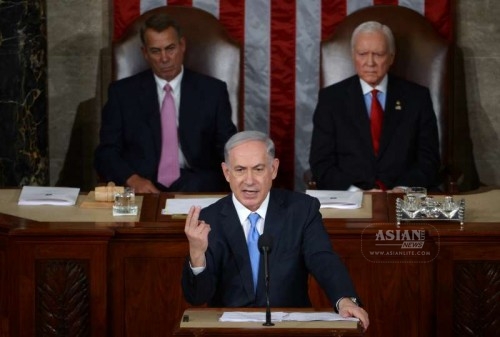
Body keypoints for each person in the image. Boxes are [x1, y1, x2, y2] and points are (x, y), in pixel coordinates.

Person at [182, 130, 369, 330]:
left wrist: (345, 299)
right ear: (227, 173)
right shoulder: (210, 219)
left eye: (258, 169)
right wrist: (197, 254)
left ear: (274, 169)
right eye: (240, 170)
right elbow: (197, 297)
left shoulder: (302, 210)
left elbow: (322, 258)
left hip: (289, 328)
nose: (249, 180)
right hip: (231, 331)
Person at [94, 13, 237, 193]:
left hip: (197, 185)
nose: (164, 58)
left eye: (170, 48)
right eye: (155, 51)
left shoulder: (212, 91)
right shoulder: (122, 94)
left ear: (182, 45)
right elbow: (106, 153)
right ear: (145, 53)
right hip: (143, 185)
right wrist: (132, 180)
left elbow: (229, 146)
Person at [309, 21, 440, 192]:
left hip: (402, 199)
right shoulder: (331, 99)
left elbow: (429, 160)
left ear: (391, 57)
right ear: (353, 55)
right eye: (362, 54)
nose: (370, 62)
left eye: (378, 54)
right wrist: (355, 192)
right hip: (351, 200)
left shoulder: (417, 98)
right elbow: (321, 162)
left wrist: (403, 188)